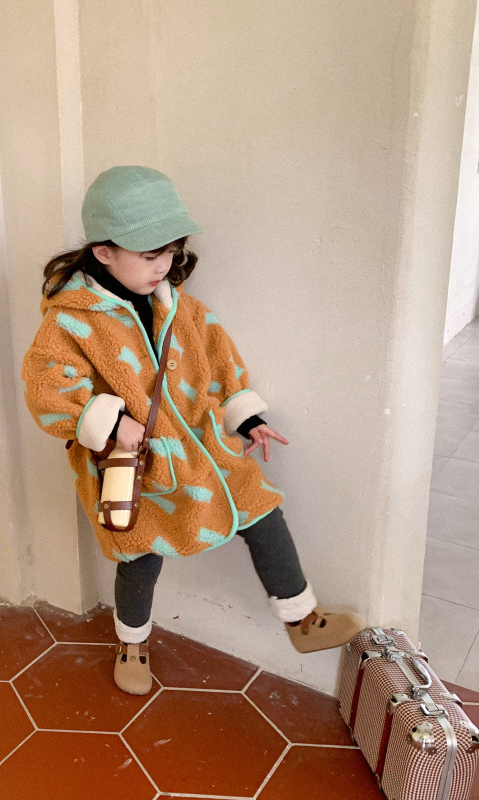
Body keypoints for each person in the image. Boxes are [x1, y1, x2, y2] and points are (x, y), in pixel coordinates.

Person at [21, 166, 364, 695]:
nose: (164, 265)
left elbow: (218, 358)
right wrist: (109, 422)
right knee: (138, 553)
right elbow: (46, 389)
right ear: (104, 252)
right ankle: (132, 645)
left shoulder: (180, 306)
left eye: (170, 252)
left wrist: (246, 416)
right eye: (149, 254)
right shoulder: (70, 321)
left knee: (261, 508)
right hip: (134, 462)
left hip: (200, 447)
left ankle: (302, 620)